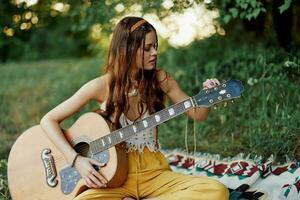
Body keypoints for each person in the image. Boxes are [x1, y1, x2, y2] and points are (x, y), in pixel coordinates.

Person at [40, 16, 229, 200]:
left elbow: (197, 114)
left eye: (155, 47)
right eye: (147, 48)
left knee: (216, 191)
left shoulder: (160, 79)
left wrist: (208, 98)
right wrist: (75, 159)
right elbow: (48, 120)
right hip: (112, 177)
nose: (154, 53)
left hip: (154, 173)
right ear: (127, 50)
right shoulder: (101, 86)